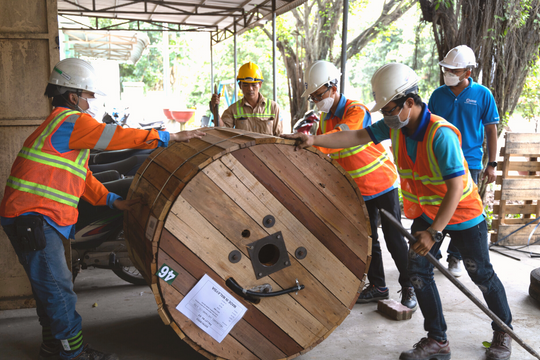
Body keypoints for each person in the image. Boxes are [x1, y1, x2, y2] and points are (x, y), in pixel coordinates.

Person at [282, 63, 513, 360]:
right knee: (418, 272)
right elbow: (355, 137)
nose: (385, 115)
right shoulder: (398, 126)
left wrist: (433, 232)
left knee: (480, 274)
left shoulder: (440, 134)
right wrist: (314, 140)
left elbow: (455, 189)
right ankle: (437, 339)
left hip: (463, 214)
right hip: (429, 211)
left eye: (389, 108)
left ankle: (503, 331)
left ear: (409, 102)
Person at [0, 58, 205, 360]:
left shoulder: (59, 126)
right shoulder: (72, 122)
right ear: (73, 96)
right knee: (59, 292)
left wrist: (111, 200)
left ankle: (52, 347)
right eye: (89, 96)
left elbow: (79, 175)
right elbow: (116, 136)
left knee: (50, 289)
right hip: (34, 218)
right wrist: (167, 137)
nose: (91, 103)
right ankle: (74, 354)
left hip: (32, 217)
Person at [302, 60, 417, 309]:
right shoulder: (324, 120)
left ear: (333, 88)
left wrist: (314, 139)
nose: (316, 100)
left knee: (394, 238)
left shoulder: (357, 110)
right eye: (313, 97)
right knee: (369, 240)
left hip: (381, 185)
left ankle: (409, 286)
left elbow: (343, 138)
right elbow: (323, 150)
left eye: (319, 94)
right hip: (356, 191)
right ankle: (378, 287)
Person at [428, 45, 500, 277]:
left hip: (470, 162)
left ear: (467, 73)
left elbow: (491, 131)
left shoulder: (483, 95)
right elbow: (428, 127)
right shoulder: (438, 95)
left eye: (453, 69)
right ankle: (433, 253)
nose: (447, 72)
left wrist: (492, 164)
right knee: (438, 205)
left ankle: (455, 257)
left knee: (463, 211)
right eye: (446, 68)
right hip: (440, 161)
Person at [210, 62, 282, 136]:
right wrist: (215, 110)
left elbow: (279, 137)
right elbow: (223, 132)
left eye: (253, 85)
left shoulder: (273, 107)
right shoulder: (233, 109)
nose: (250, 88)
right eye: (245, 85)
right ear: (240, 85)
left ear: (260, 85)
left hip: (268, 148)